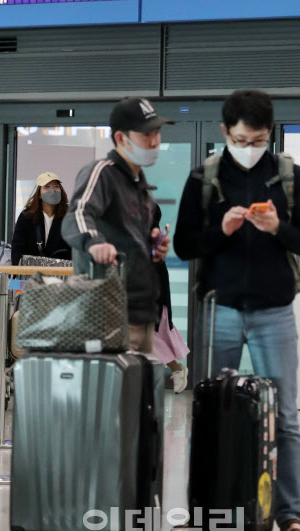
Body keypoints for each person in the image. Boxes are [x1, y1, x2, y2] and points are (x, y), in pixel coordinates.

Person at [174, 89, 300, 531]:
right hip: (220, 308)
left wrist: (278, 228)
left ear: (269, 134)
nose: (250, 145)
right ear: (225, 132)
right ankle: (203, 515)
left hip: (275, 309)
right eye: (241, 138)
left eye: (257, 139)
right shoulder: (204, 177)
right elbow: (184, 245)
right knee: (210, 412)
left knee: (287, 417)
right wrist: (223, 229)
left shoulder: (289, 176)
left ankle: (291, 517)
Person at [62, 96, 172, 353]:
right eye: (147, 134)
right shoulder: (102, 172)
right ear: (122, 138)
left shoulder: (140, 185)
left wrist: (153, 246)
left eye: (157, 133)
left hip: (142, 311)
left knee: (137, 392)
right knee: (108, 392)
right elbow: (77, 215)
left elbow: (129, 239)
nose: (155, 141)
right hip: (106, 315)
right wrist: (94, 243)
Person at [11, 171, 71, 265]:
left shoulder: (69, 216)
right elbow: (17, 248)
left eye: (56, 186)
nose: (52, 190)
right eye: (47, 187)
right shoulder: (26, 216)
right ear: (39, 193)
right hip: (31, 274)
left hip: (62, 274)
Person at [152, 259, 189, 393]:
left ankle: (177, 369)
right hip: (135, 295)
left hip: (151, 297)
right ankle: (176, 369)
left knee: (154, 337)